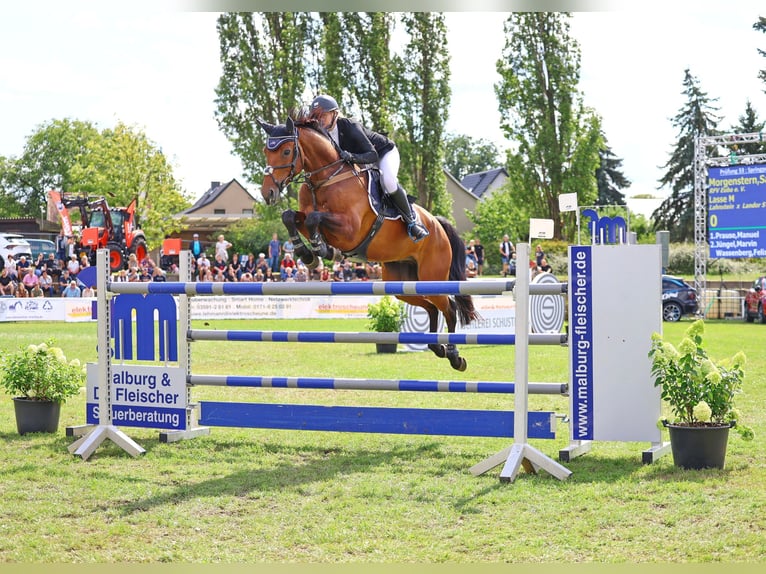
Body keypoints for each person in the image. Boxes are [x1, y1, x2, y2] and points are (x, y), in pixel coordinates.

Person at [309, 94, 429, 242]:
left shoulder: (349, 125)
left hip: (383, 153)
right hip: (362, 161)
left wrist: (352, 157)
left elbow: (372, 155)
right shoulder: (322, 135)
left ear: (334, 114)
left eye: (323, 115)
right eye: (316, 116)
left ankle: (412, 222)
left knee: (388, 181)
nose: (319, 119)